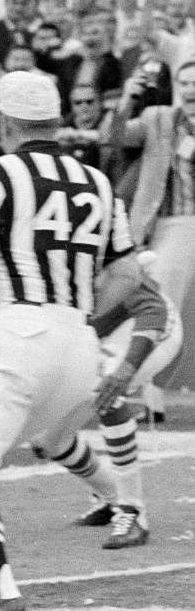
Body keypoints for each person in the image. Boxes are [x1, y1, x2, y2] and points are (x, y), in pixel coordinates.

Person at [0, 71, 137, 611]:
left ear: (7, 123)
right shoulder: (96, 181)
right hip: (78, 345)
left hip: (18, 333)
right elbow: (128, 275)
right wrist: (82, 310)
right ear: (57, 119)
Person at [0, 270, 181, 599]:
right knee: (47, 443)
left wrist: (125, 369)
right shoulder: (8, 278)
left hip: (144, 328)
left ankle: (133, 510)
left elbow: (151, 306)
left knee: (107, 386)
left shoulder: (55, 245)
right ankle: (112, 495)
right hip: (69, 337)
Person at [104, 62, 195, 422]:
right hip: (173, 225)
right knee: (163, 308)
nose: (189, 89)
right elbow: (114, 137)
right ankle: (150, 399)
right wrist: (126, 99)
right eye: (184, 82)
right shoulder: (159, 118)